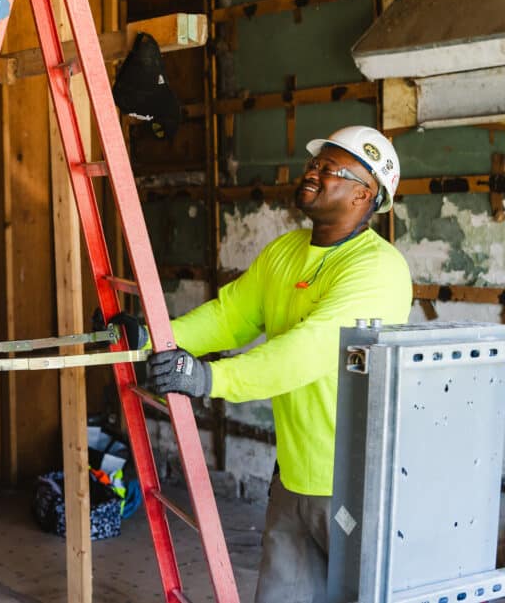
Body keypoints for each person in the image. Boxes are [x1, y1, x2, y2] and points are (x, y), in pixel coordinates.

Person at [143, 125, 413, 603]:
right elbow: (230, 317)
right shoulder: (285, 253)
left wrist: (209, 377)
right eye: (314, 163)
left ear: (364, 193)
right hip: (293, 476)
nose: (312, 172)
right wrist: (154, 336)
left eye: (329, 169)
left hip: (358, 484)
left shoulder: (378, 268)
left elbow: (308, 351)